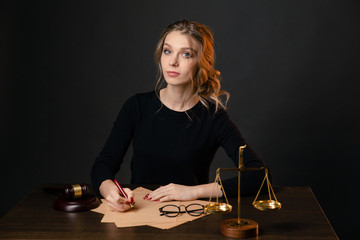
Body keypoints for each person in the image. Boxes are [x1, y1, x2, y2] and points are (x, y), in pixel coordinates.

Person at [91, 19, 266, 212]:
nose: (173, 61)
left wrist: (193, 191)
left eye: (185, 54)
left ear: (201, 62)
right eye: (168, 51)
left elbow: (259, 176)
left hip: (190, 216)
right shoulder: (137, 106)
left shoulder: (213, 117)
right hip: (139, 215)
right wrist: (110, 192)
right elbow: (103, 165)